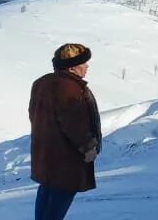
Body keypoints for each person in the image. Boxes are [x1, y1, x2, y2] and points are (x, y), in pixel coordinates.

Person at [29, 43, 102, 220]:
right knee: (59, 200)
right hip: (65, 158)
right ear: (72, 67)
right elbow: (73, 122)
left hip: (46, 154)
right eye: (83, 63)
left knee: (47, 195)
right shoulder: (69, 87)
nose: (87, 67)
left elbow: (33, 114)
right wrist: (88, 147)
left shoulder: (42, 83)